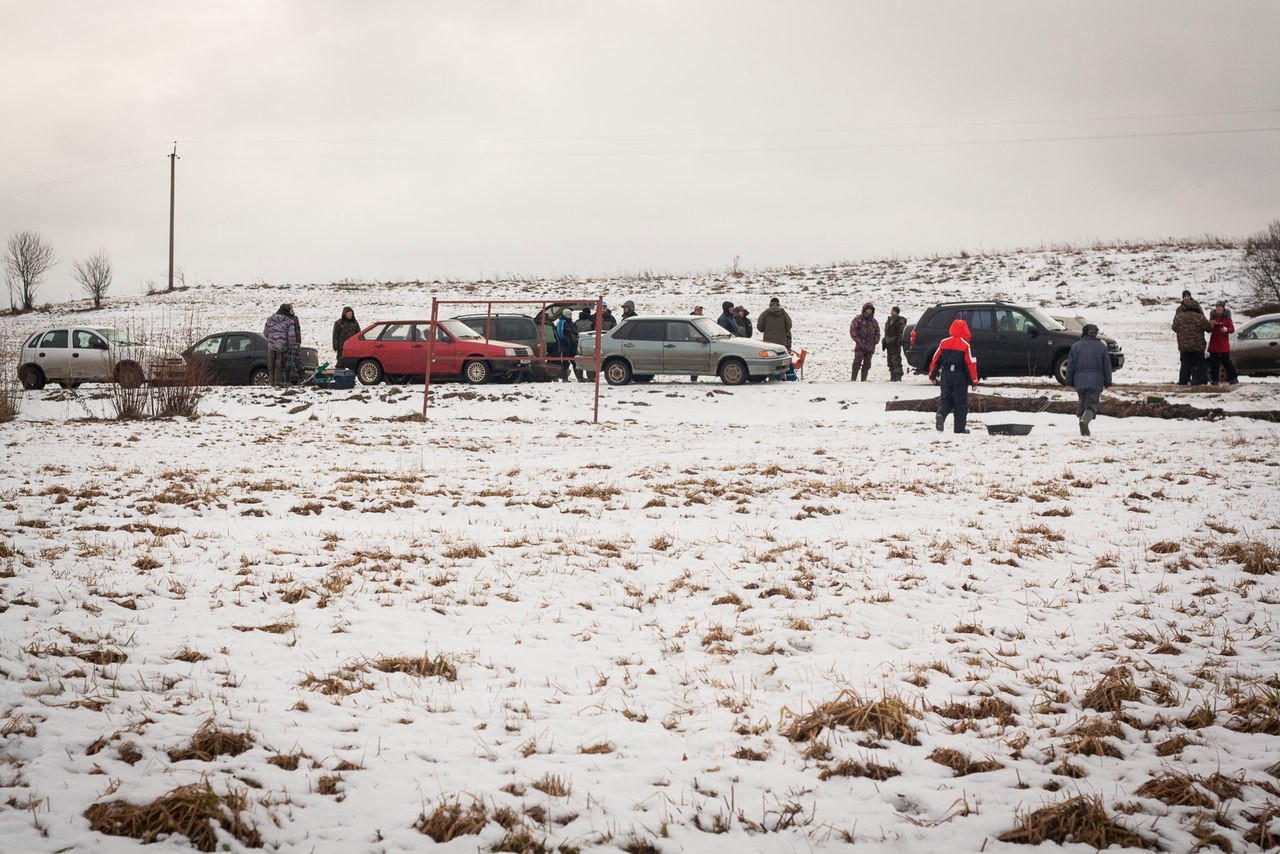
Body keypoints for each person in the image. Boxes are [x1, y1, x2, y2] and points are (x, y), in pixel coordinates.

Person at [928, 319, 979, 433]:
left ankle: (940, 414)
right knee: (960, 402)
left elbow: (935, 360)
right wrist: (973, 381)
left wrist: (932, 375)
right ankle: (959, 429)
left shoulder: (943, 342)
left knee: (945, 399)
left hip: (946, 375)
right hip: (960, 376)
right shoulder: (965, 345)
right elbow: (970, 364)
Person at [1064, 323, 1112, 436]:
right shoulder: (1102, 347)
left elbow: (1070, 366)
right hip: (1096, 381)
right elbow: (1107, 366)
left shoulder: (1075, 346)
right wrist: (1108, 381)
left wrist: (1068, 382)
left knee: (1081, 403)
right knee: (1091, 404)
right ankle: (1084, 422)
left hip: (1079, 381)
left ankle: (1083, 429)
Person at [1172, 289, 1212, 385]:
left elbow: (1174, 327)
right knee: (1200, 364)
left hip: (1184, 346)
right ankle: (1202, 381)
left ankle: (1183, 381)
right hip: (1198, 345)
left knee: (1185, 364)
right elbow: (1208, 328)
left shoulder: (1179, 316)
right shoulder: (1199, 316)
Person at [263, 303, 298, 387]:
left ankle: (272, 384)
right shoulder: (289, 321)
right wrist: (292, 347)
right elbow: (291, 336)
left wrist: (272, 339)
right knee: (280, 364)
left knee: (271, 364)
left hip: (271, 346)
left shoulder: (270, 319)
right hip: (282, 347)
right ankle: (278, 384)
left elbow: (265, 333)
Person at [1207, 301, 1239, 385]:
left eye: (1220, 307)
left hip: (1223, 344)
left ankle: (1233, 378)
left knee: (1226, 362)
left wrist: (1226, 329)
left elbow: (1232, 329)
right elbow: (1208, 329)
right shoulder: (1212, 318)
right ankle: (1214, 380)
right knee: (1214, 363)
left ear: (1223, 309)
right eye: (1217, 307)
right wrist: (1211, 325)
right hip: (1214, 344)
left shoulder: (1227, 319)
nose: (1218, 309)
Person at [849, 302, 881, 381]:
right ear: (864, 310)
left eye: (871, 309)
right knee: (857, 362)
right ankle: (853, 378)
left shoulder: (874, 321)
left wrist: (875, 341)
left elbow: (878, 332)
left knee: (867, 364)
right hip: (860, 345)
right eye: (868, 309)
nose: (869, 311)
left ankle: (864, 379)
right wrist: (859, 341)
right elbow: (853, 331)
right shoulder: (858, 319)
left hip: (870, 346)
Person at [883, 306, 907, 382]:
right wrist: (885, 340)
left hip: (895, 344)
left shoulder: (900, 321)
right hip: (889, 344)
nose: (892, 312)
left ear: (897, 312)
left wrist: (898, 342)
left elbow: (901, 333)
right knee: (890, 360)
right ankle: (892, 377)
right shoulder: (889, 321)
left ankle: (898, 377)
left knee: (896, 360)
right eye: (892, 311)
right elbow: (887, 332)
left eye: (894, 311)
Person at [555, 307, 579, 382]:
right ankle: (564, 378)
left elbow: (574, 332)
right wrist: (564, 340)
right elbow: (560, 333)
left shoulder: (571, 323)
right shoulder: (561, 322)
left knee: (575, 362)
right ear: (565, 315)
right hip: (564, 345)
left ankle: (579, 378)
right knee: (565, 362)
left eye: (571, 314)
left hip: (572, 345)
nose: (570, 316)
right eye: (569, 315)